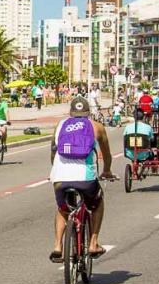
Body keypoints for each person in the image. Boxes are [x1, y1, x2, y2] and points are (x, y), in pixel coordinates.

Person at [49, 97, 116, 262]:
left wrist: (54, 171)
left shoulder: (60, 125)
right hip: (85, 178)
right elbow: (106, 154)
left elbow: (53, 151)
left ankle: (58, 246)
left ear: (70, 112)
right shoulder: (96, 127)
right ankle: (93, 243)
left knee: (63, 209)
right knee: (98, 203)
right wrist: (107, 170)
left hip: (59, 177)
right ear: (88, 113)